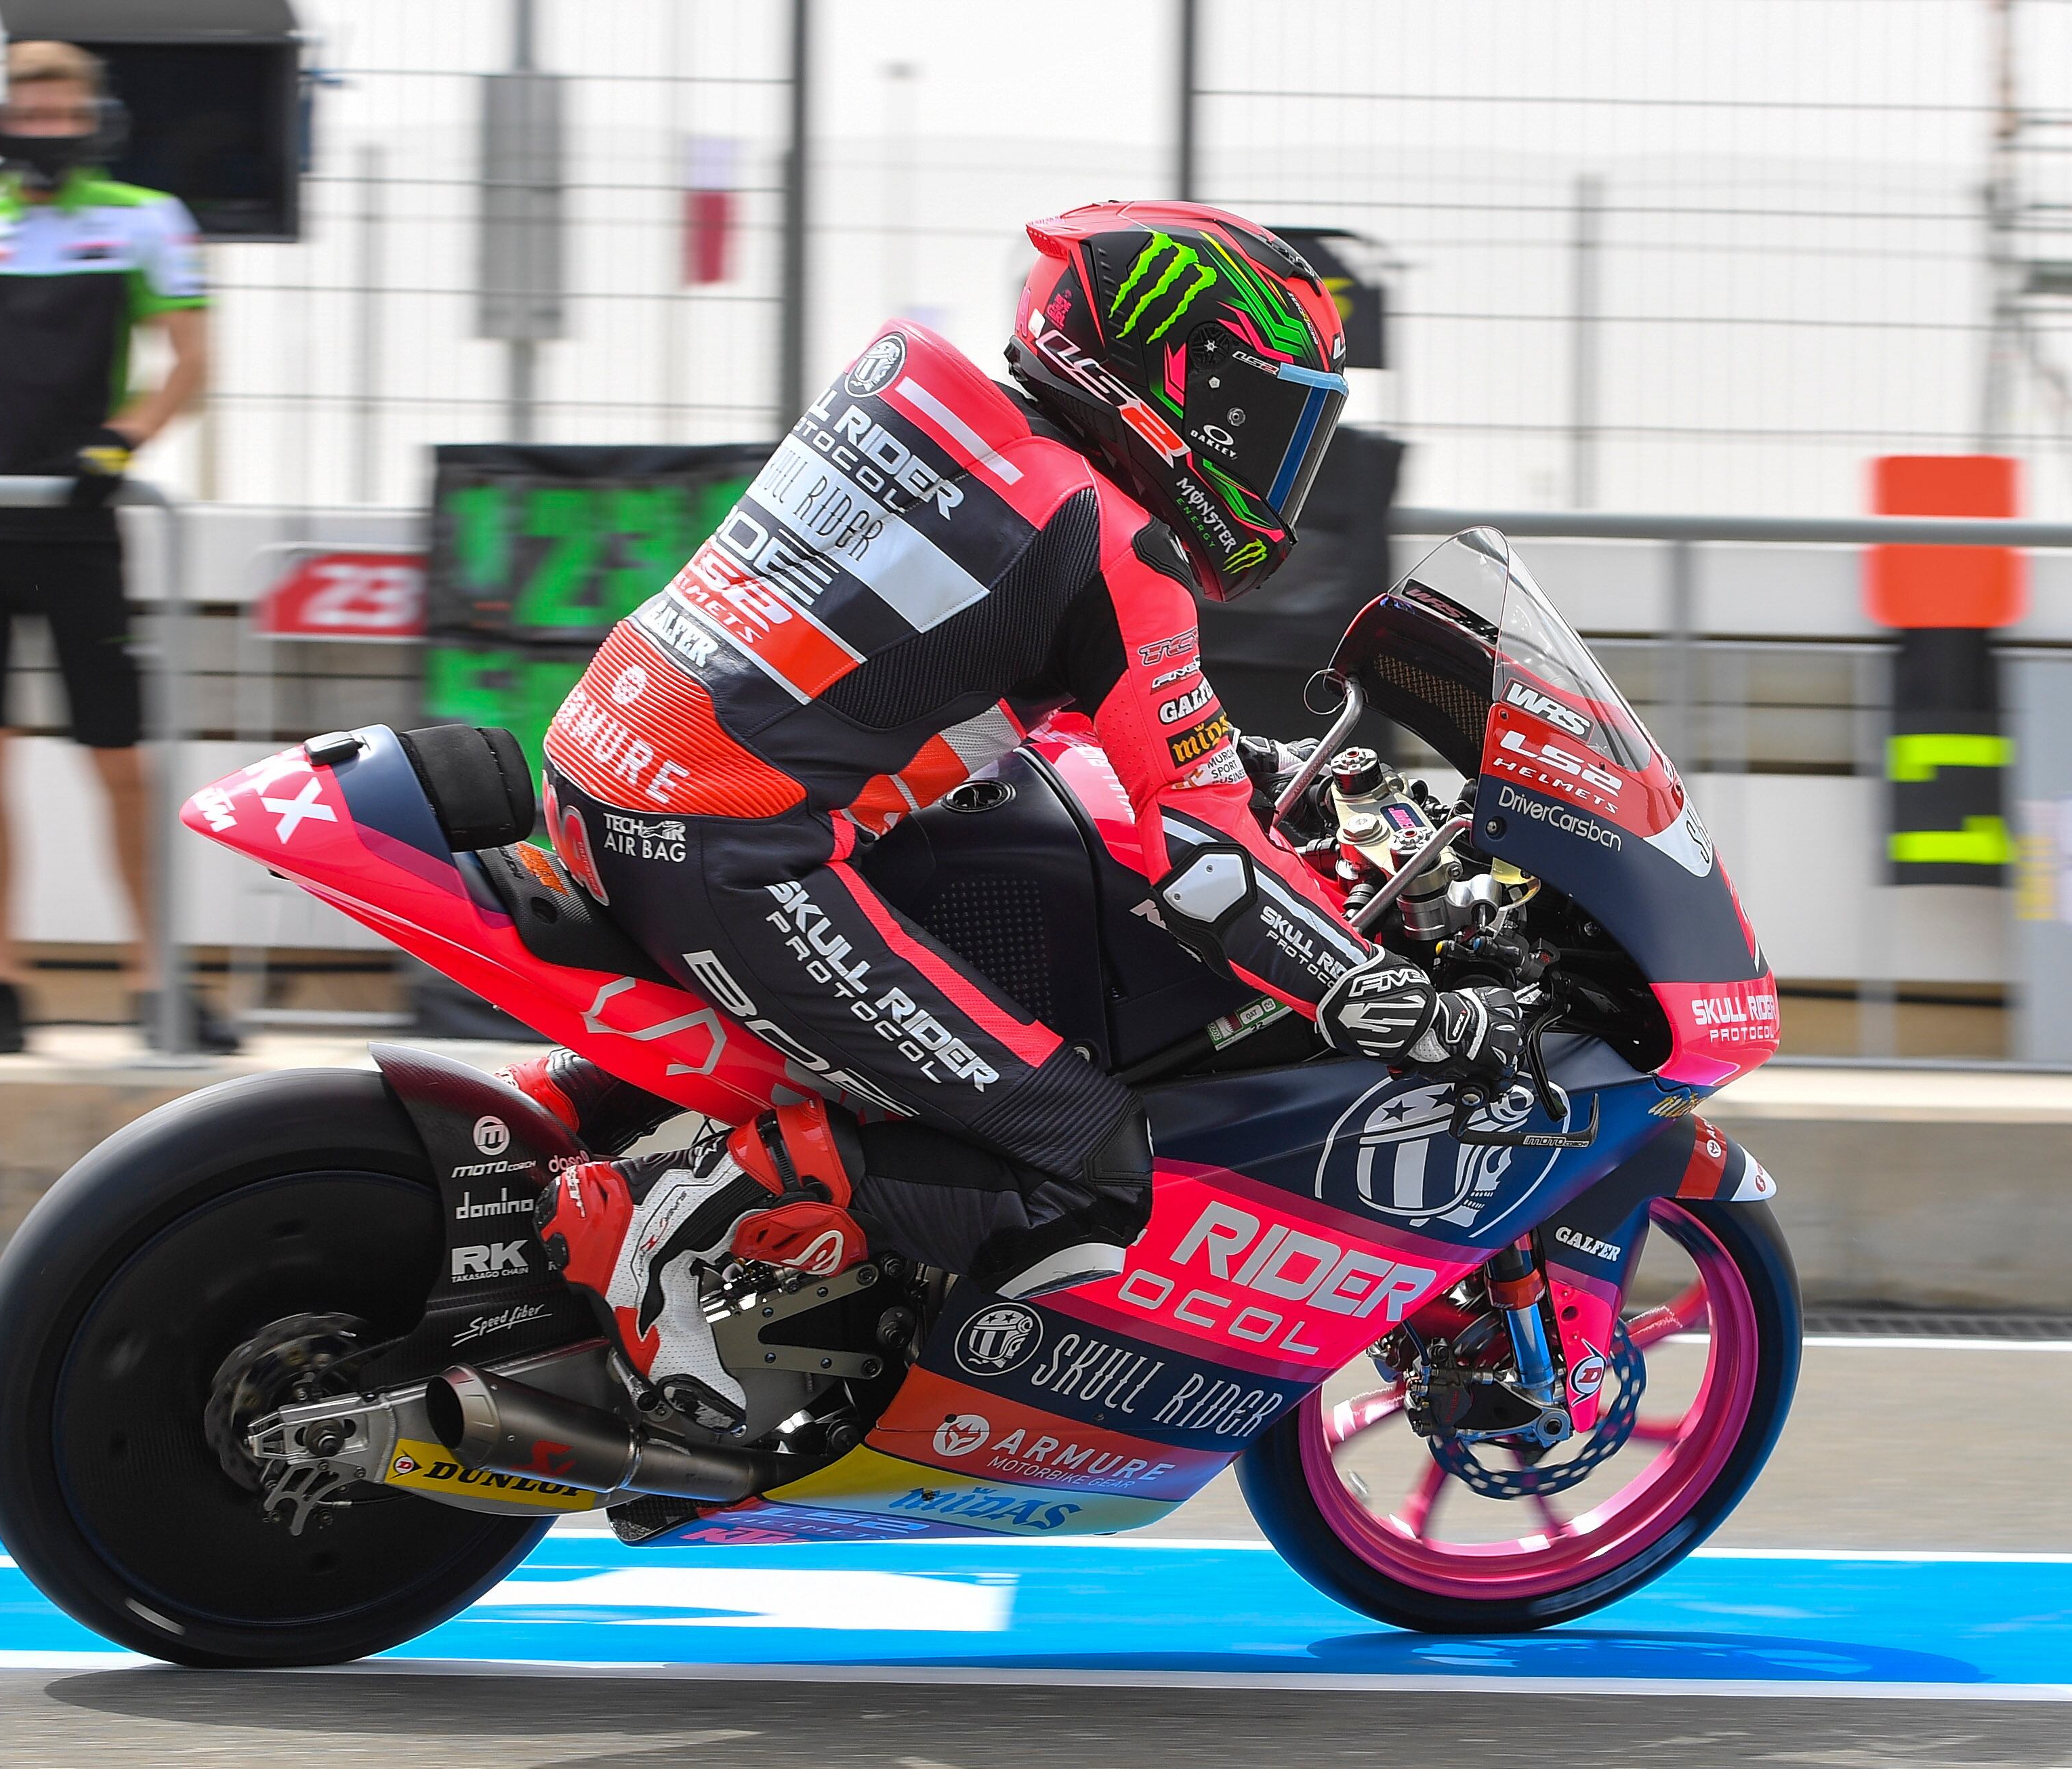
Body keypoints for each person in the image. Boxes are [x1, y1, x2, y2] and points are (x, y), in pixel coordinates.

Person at [510, 202, 1537, 1433]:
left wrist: (1252, 761)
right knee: (1085, 1156)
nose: (1277, 464)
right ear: (1175, 374)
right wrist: (1391, 998)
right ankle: (675, 1249)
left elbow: (944, 666)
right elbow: (1203, 859)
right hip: (732, 847)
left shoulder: (917, 395)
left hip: (606, 759)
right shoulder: (1112, 541)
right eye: (1269, 417)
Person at [0, 39, 234, 1056]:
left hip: (78, 518)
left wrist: (124, 438)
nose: (42, 124)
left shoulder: (145, 216)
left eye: (59, 107)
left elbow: (192, 361)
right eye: (24, 107)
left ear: (92, 116)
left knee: (118, 759)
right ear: (0, 117)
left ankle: (153, 978)